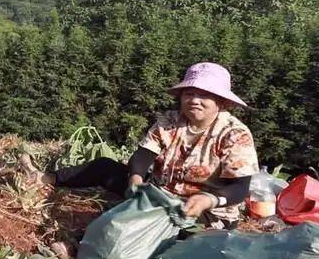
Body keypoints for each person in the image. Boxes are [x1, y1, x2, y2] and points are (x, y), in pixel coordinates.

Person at [22, 62, 260, 227]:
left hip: (202, 210)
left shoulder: (234, 134)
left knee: (158, 226)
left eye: (204, 95)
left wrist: (209, 200)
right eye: (189, 94)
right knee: (105, 167)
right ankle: (45, 179)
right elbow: (144, 154)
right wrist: (135, 177)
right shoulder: (169, 121)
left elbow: (240, 187)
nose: (194, 100)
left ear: (221, 102)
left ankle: (80, 246)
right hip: (157, 194)